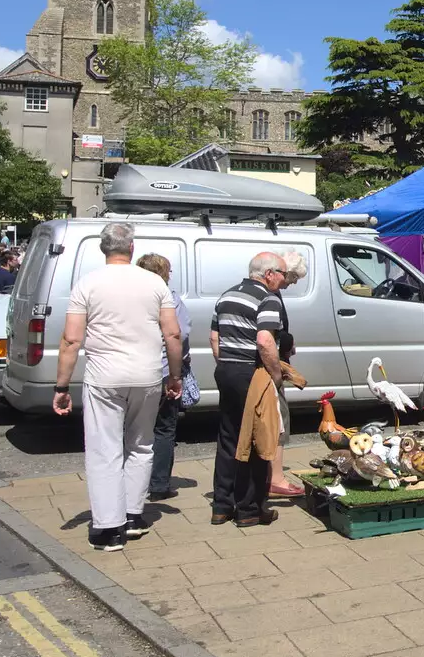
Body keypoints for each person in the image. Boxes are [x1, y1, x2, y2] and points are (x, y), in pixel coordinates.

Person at [52, 223, 183, 551]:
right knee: (141, 444)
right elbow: (173, 334)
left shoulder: (87, 284)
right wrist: (175, 376)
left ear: (103, 248)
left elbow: (71, 339)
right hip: (148, 374)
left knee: (104, 449)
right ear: (132, 248)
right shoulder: (155, 283)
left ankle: (109, 527)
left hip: (105, 377)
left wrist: (62, 386)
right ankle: (134, 515)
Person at [209, 253, 288, 527]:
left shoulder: (227, 295)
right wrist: (276, 375)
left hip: (227, 370)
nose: (284, 279)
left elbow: (215, 337)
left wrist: (227, 364)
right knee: (256, 440)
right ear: (269, 274)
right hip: (251, 374)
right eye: (283, 274)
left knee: (229, 436)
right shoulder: (267, 298)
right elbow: (265, 340)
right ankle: (249, 509)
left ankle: (221, 505)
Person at [136, 253, 192, 504]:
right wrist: (177, 373)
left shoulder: (129, 297)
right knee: (164, 429)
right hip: (161, 371)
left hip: (133, 371)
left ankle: (134, 482)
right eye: (168, 271)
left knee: (134, 430)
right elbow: (179, 336)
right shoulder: (170, 299)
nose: (171, 276)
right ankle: (158, 484)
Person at [268, 250, 308, 497]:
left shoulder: (271, 294)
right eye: (293, 277)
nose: (293, 282)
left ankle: (270, 475)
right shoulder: (271, 296)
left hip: (272, 361)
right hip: (272, 365)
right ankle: (276, 478)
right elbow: (270, 335)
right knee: (279, 420)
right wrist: (287, 342)